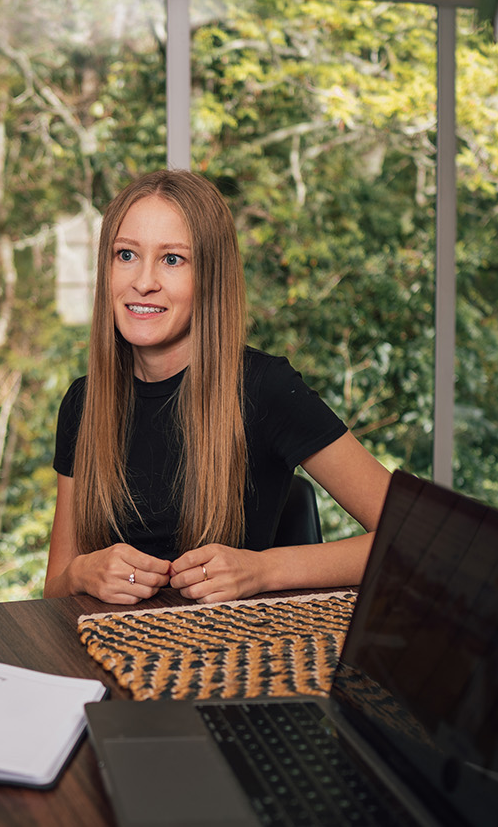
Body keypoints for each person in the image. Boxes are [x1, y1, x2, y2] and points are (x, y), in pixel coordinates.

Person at [44, 169, 392, 605]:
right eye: (126, 255)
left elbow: (414, 541)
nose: (143, 280)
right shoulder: (83, 402)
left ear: (209, 275)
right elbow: (54, 587)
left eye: (173, 259)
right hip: (109, 655)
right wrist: (80, 572)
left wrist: (264, 569)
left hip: (231, 659)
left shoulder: (266, 388)